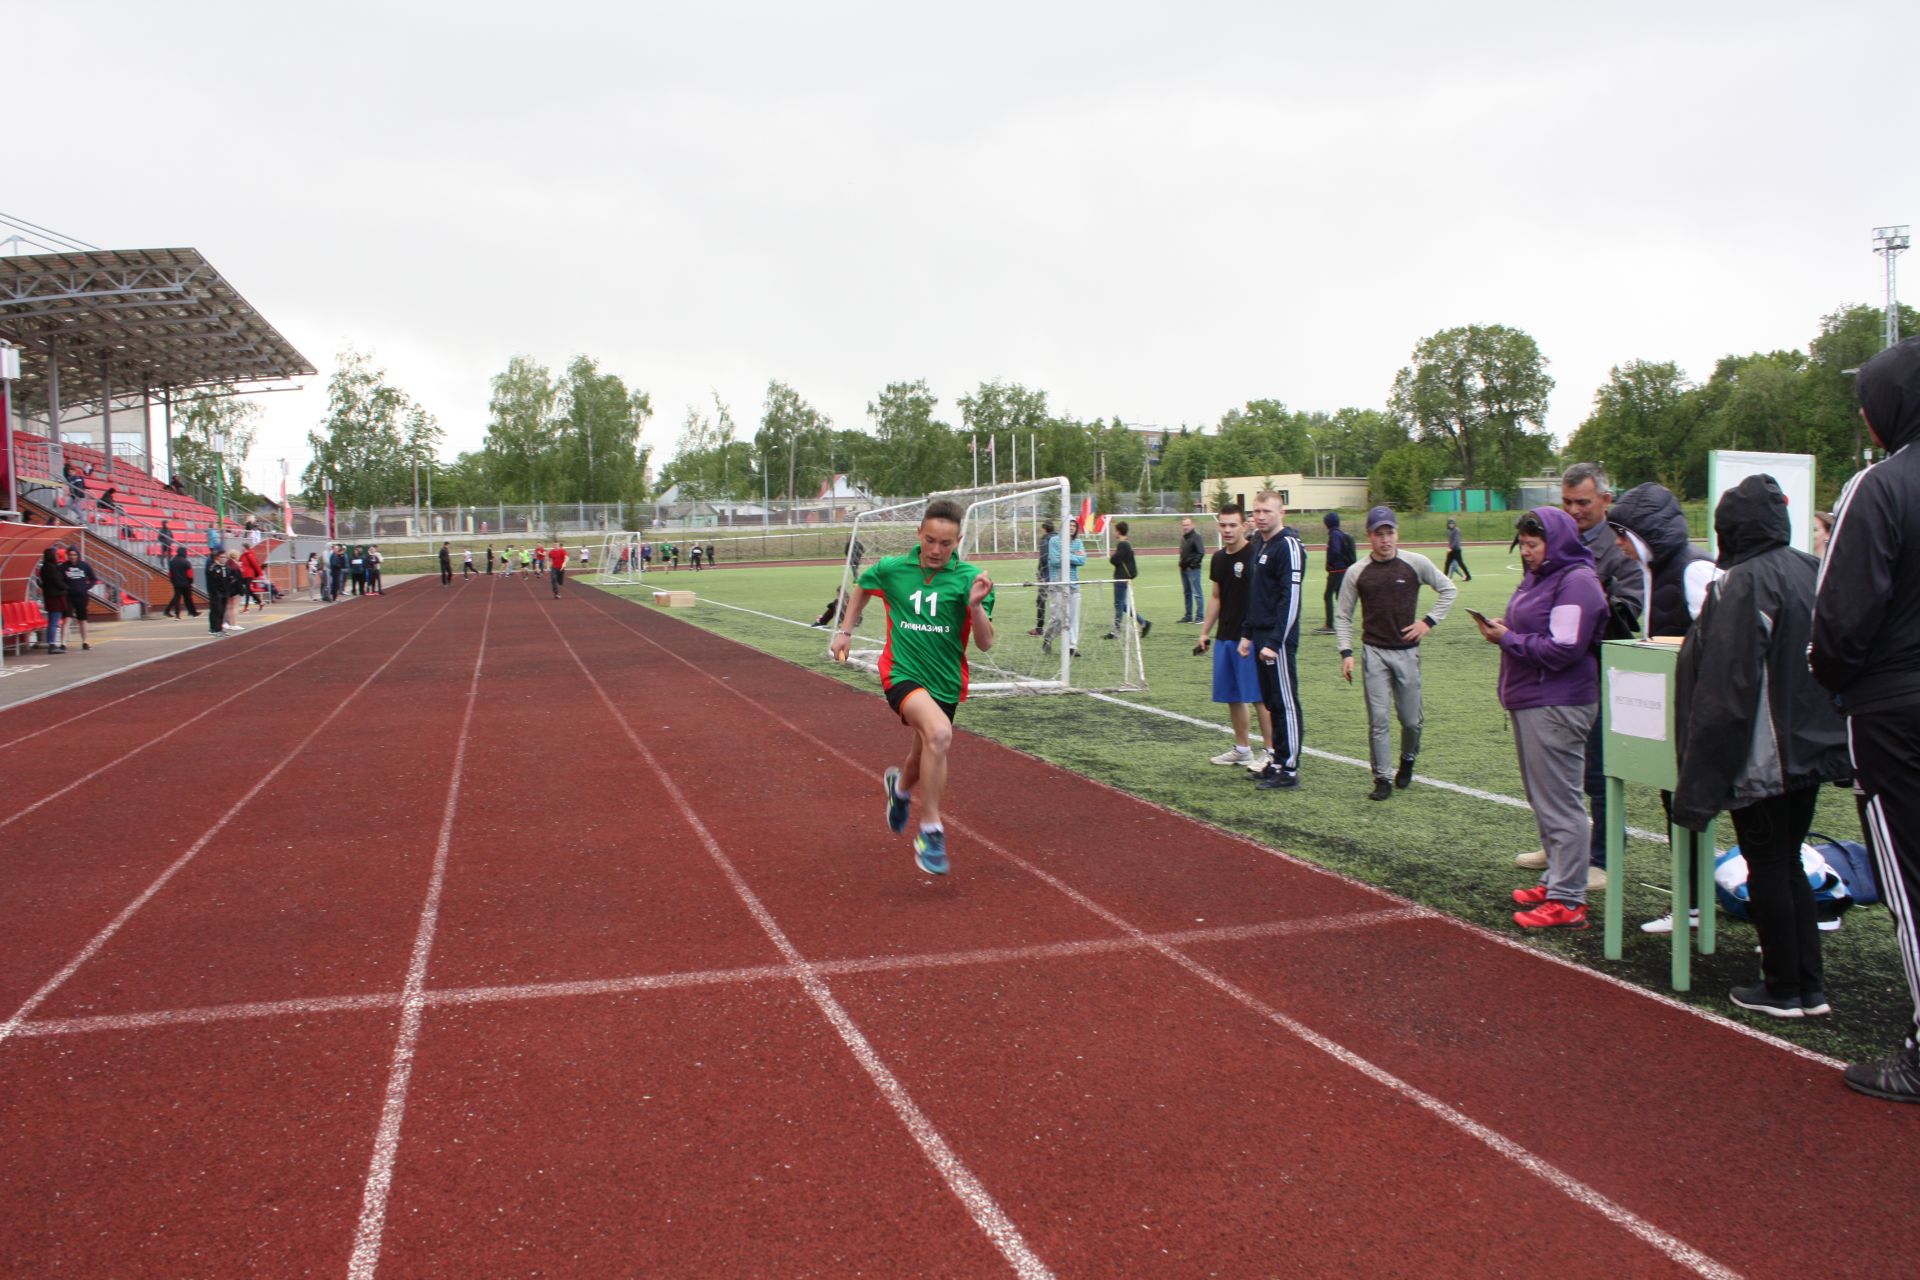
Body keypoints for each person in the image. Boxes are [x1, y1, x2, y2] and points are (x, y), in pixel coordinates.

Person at [1672, 474, 1849, 1019]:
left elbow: (1726, 692)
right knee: (1785, 859)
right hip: (1811, 745)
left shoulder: (1740, 584)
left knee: (1767, 861)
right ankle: (1805, 983)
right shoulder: (1811, 570)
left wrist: (1697, 789)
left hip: (1765, 753)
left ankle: (1784, 986)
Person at [1811, 333, 1920, 1101]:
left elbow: (1841, 620)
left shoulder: (1879, 487)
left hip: (1895, 711)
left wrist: (1832, 678)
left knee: (1909, 879)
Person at [828, 497, 996, 876]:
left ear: (958, 541)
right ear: (919, 534)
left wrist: (975, 606)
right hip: (901, 673)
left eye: (946, 543)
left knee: (924, 753)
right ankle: (931, 831)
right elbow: (863, 585)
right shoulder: (892, 569)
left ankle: (899, 791)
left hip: (946, 683)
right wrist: (845, 630)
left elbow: (985, 643)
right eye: (930, 540)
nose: (936, 550)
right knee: (939, 734)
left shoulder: (972, 579)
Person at [1475, 508, 1607, 930]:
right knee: (1544, 797)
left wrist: (1509, 638)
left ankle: (1569, 898)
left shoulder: (1577, 581)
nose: (1528, 553)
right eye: (1525, 546)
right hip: (1533, 698)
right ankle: (1558, 882)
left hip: (1557, 702)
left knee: (1561, 801)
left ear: (1556, 542)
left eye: (1534, 545)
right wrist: (1506, 629)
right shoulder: (1544, 576)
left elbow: (1565, 648)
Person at [1516, 462, 1644, 888]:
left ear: (1606, 500)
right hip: (1551, 677)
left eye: (1582, 502)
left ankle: (1604, 858)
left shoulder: (1619, 545)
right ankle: (1559, 848)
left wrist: (1583, 604)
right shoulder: (1555, 539)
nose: (1573, 510)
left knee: (1598, 772)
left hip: (1599, 673)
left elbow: (1628, 610)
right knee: (1556, 775)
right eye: (1567, 502)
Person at [1606, 481, 1719, 933]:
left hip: (1702, 719)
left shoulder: (1693, 569)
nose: (1618, 543)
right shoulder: (1659, 568)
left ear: (1645, 532)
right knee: (1676, 808)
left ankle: (1722, 907)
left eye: (1623, 533)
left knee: (1701, 813)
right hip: (1673, 717)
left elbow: (1720, 642)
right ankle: (1691, 905)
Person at [1335, 506, 1456, 801]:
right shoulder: (1357, 572)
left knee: (1411, 720)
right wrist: (1346, 652)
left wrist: (1427, 622)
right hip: (1374, 653)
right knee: (1379, 719)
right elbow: (1343, 615)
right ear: (1369, 536)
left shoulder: (1415, 563)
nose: (1385, 540)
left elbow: (1448, 589)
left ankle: (1408, 757)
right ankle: (1382, 778)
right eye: (1379, 534)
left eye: (1389, 533)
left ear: (1397, 534)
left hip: (1407, 653)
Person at [1240, 490, 1307, 790]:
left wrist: (1275, 641)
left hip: (1276, 639)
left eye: (1266, 511)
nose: (1261, 516)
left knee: (1285, 702)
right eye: (1256, 511)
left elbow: (1290, 600)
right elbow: (1256, 595)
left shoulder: (1288, 545)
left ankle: (1289, 769)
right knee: (1270, 701)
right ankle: (1277, 761)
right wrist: (1246, 633)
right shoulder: (1258, 543)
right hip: (1260, 635)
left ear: (1282, 513)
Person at [1197, 503, 1270, 771]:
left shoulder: (1255, 555)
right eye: (1223, 525)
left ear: (1244, 526)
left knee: (1258, 696)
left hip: (1248, 638)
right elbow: (1217, 596)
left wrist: (1251, 635)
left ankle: (1270, 752)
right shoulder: (1218, 558)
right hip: (1225, 636)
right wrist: (1205, 631)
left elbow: (1263, 599)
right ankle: (1242, 750)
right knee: (1232, 696)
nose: (1227, 530)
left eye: (1233, 525)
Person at [1042, 517, 1087, 657]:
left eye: (1074, 525)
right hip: (1058, 584)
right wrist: (1073, 557)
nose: (1072, 527)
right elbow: (1055, 561)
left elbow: (1082, 560)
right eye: (1069, 525)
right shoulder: (1054, 541)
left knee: (1073, 617)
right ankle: (1048, 638)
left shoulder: (1078, 542)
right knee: (1058, 618)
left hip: (1073, 584)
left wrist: (1067, 556)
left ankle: (1072, 646)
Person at [1104, 520, 1152, 640]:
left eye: (1115, 530)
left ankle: (1117, 631)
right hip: (1123, 577)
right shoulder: (1126, 544)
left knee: (1119, 604)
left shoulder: (1123, 544)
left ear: (1119, 531)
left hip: (1121, 577)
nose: (1114, 532)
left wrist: (1113, 557)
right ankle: (1144, 623)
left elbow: (1114, 560)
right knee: (1123, 605)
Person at [1318, 511, 1356, 633]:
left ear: (1328, 523)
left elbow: (1335, 550)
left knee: (1327, 595)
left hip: (1337, 570)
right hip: (1344, 569)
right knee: (1340, 597)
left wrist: (1329, 563)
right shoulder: (1339, 533)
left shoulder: (1334, 534)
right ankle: (1344, 623)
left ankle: (1329, 625)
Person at [59, 542, 99, 651]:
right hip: (68, 596)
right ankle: (63, 643)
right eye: (70, 555)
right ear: (68, 555)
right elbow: (59, 580)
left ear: (78, 555)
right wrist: (65, 588)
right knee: (66, 619)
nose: (72, 557)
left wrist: (87, 587)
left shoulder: (84, 565)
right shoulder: (63, 567)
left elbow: (93, 578)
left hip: (82, 596)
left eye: (74, 555)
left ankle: (85, 641)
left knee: (82, 619)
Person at [37, 547, 68, 653]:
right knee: (54, 622)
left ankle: (52, 643)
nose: (57, 556)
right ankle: (52, 644)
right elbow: (58, 582)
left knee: (52, 621)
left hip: (49, 597)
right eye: (55, 554)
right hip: (56, 597)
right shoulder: (52, 568)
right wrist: (66, 587)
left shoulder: (44, 567)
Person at [206, 549, 244, 636]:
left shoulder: (226, 567)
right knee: (217, 611)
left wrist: (232, 581)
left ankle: (220, 629)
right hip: (216, 593)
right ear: (217, 558)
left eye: (224, 557)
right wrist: (214, 592)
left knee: (222, 611)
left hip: (224, 593)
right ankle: (214, 629)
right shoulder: (213, 568)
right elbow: (213, 582)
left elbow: (229, 579)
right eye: (221, 557)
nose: (223, 559)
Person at [1176, 516, 1206, 623]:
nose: (1185, 527)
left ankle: (1200, 616)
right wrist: (1181, 563)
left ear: (1192, 525)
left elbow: (1201, 552)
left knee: (1197, 593)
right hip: (1184, 569)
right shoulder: (1184, 537)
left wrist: (1192, 565)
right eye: (1184, 525)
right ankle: (1188, 616)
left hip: (1193, 570)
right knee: (1187, 593)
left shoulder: (1196, 537)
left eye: (1187, 525)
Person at [1027, 519, 1054, 637]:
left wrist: (1039, 573)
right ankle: (1063, 628)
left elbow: (1043, 558)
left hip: (1046, 576)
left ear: (1045, 529)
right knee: (1059, 602)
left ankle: (1039, 629)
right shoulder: (1059, 538)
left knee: (1041, 601)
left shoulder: (1045, 539)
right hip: (1058, 574)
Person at [167, 545, 200, 618]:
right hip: (186, 584)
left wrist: (172, 581)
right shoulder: (186, 562)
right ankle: (193, 612)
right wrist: (191, 581)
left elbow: (170, 574)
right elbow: (190, 574)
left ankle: (177, 614)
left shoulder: (172, 561)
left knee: (177, 599)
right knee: (188, 599)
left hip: (176, 583)